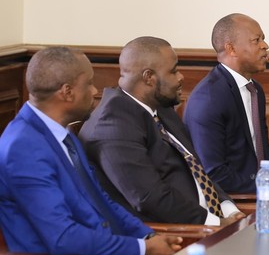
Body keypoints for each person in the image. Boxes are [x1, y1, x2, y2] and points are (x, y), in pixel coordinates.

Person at [0, 47, 181, 255]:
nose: (95, 90)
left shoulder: (65, 136)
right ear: (67, 92)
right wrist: (142, 250)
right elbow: (63, 238)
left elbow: (101, 200)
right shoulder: (23, 148)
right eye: (89, 83)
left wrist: (147, 237)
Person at [79, 37, 244, 226]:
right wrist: (216, 224)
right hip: (178, 234)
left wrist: (229, 208)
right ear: (149, 77)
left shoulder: (161, 108)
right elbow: (149, 197)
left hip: (211, 222)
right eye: (173, 71)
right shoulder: (113, 124)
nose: (181, 77)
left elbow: (196, 170)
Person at [184, 13, 269, 193]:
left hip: (260, 193)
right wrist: (267, 188)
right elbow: (214, 174)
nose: (265, 46)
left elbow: (263, 152)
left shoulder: (255, 90)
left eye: (264, 39)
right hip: (231, 201)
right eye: (256, 40)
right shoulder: (209, 98)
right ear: (231, 49)